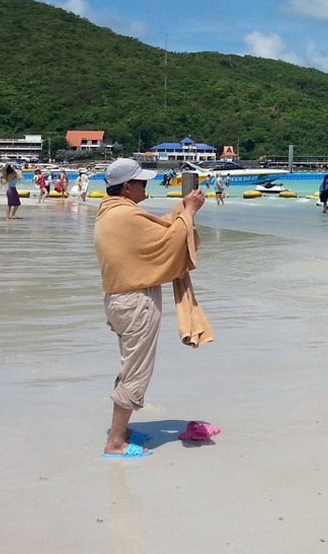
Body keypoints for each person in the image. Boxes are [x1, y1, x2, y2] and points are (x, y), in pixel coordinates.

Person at [95, 157, 206, 459]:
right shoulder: (126, 217)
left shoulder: (111, 213)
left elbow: (156, 231)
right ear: (127, 188)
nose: (146, 187)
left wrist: (181, 211)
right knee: (136, 371)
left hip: (120, 301)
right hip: (136, 302)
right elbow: (169, 241)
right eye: (141, 183)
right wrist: (190, 212)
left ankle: (122, 430)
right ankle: (116, 442)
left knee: (129, 365)